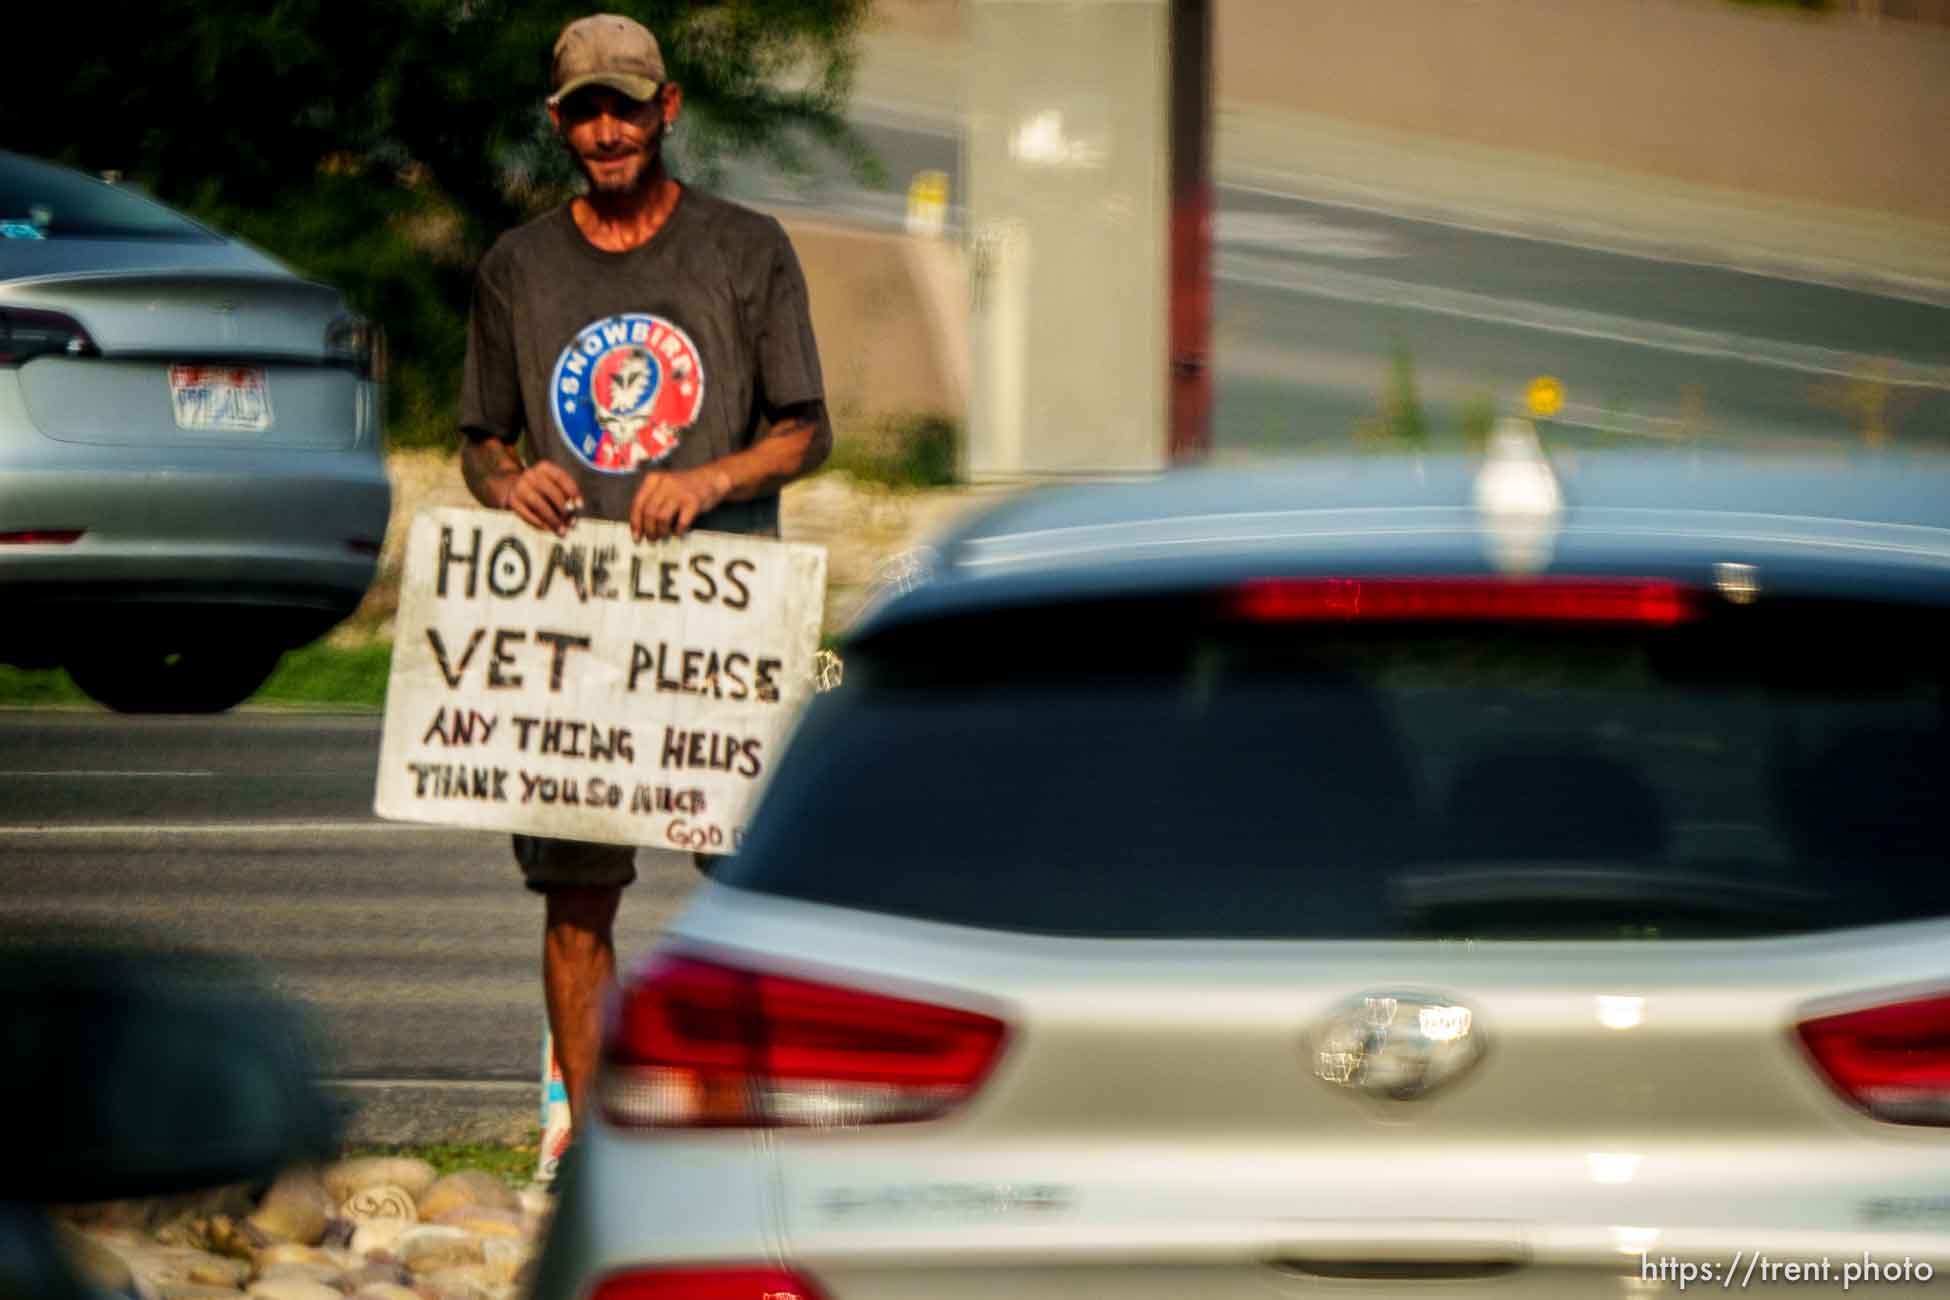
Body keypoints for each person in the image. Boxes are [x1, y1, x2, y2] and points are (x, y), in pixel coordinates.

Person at [456, 12, 831, 1128]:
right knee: (577, 894)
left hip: (715, 616)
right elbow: (482, 440)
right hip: (577, 627)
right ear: (557, 123)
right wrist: (507, 481)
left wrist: (710, 481)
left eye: (626, 105)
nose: (607, 129)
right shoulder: (516, 267)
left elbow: (807, 431)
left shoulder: (745, 247)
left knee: (755, 888)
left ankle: (769, 1127)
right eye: (584, 112)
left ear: (667, 109)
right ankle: (592, 1138)